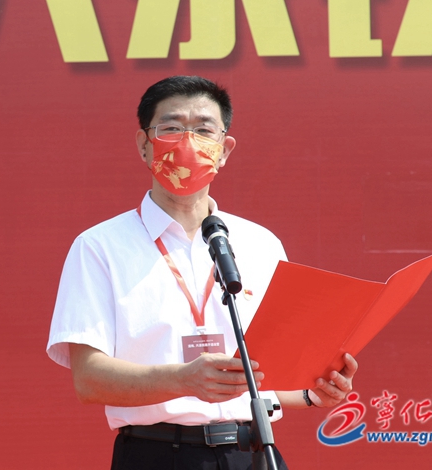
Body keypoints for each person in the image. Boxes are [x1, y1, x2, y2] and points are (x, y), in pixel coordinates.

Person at [47, 76, 358, 469]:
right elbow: (89, 380)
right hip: (155, 454)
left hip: (250, 452)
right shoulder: (100, 246)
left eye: (204, 130)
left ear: (224, 150)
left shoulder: (260, 244)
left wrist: (313, 392)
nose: (188, 143)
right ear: (144, 144)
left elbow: (267, 374)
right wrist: (183, 379)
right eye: (171, 128)